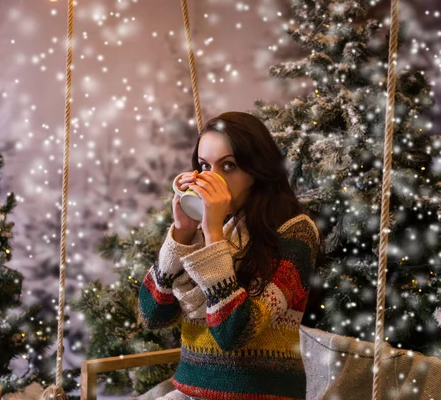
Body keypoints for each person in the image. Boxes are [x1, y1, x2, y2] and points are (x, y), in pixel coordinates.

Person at [138, 111, 322, 400]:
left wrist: (213, 235)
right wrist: (181, 233)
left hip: (258, 394)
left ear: (258, 171)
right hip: (190, 392)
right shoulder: (206, 227)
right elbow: (153, 315)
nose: (213, 180)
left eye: (229, 166)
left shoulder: (296, 233)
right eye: (204, 166)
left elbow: (234, 333)